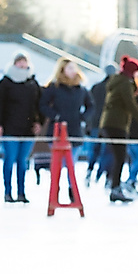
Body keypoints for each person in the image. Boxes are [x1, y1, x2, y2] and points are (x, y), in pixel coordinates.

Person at [41, 58, 94, 200]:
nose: (72, 71)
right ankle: (54, 191)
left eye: (74, 68)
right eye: (69, 68)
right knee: (58, 164)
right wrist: (56, 116)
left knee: (72, 164)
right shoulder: (54, 87)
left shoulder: (81, 89)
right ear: (62, 70)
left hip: (75, 131)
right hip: (57, 131)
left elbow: (91, 105)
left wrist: (83, 117)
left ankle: (72, 191)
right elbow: (43, 105)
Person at [98, 56, 138, 203]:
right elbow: (130, 104)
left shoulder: (118, 82)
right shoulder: (125, 84)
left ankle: (114, 185)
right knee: (120, 157)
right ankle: (115, 188)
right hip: (116, 124)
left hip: (112, 123)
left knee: (118, 156)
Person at [0, 51, 42, 203]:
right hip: (10, 127)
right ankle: (8, 192)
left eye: (24, 61)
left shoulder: (33, 83)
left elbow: (39, 105)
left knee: (23, 161)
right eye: (19, 62)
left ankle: (22, 192)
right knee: (10, 159)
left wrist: (39, 122)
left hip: (28, 129)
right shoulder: (6, 82)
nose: (22, 65)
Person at [86, 64, 116, 186]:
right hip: (108, 124)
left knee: (95, 149)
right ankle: (104, 175)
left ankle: (90, 170)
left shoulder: (96, 87)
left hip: (95, 123)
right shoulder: (114, 88)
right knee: (108, 151)